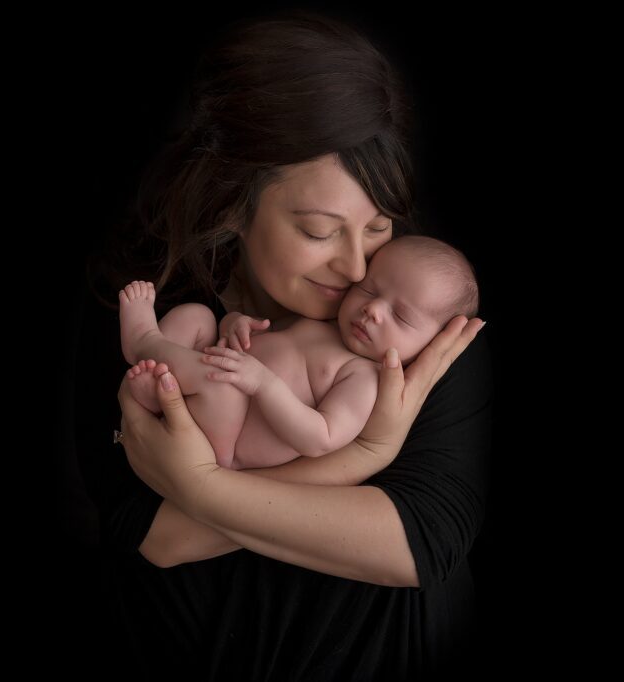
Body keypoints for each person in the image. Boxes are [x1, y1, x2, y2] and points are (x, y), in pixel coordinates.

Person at [73, 10, 492, 680]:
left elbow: (417, 544)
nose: (358, 270)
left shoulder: (418, 310)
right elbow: (155, 536)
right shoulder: (144, 293)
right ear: (234, 203)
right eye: (321, 230)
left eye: (379, 225)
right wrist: (365, 456)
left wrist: (202, 488)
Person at [118, 235, 480, 470]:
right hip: (213, 388)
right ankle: (160, 389)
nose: (373, 310)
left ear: (431, 346)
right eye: (369, 290)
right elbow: (256, 338)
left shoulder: (365, 378)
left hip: (223, 444)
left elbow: (321, 438)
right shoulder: (320, 321)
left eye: (400, 316)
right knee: (198, 318)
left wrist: (263, 384)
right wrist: (234, 326)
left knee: (225, 383)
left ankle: (143, 341)